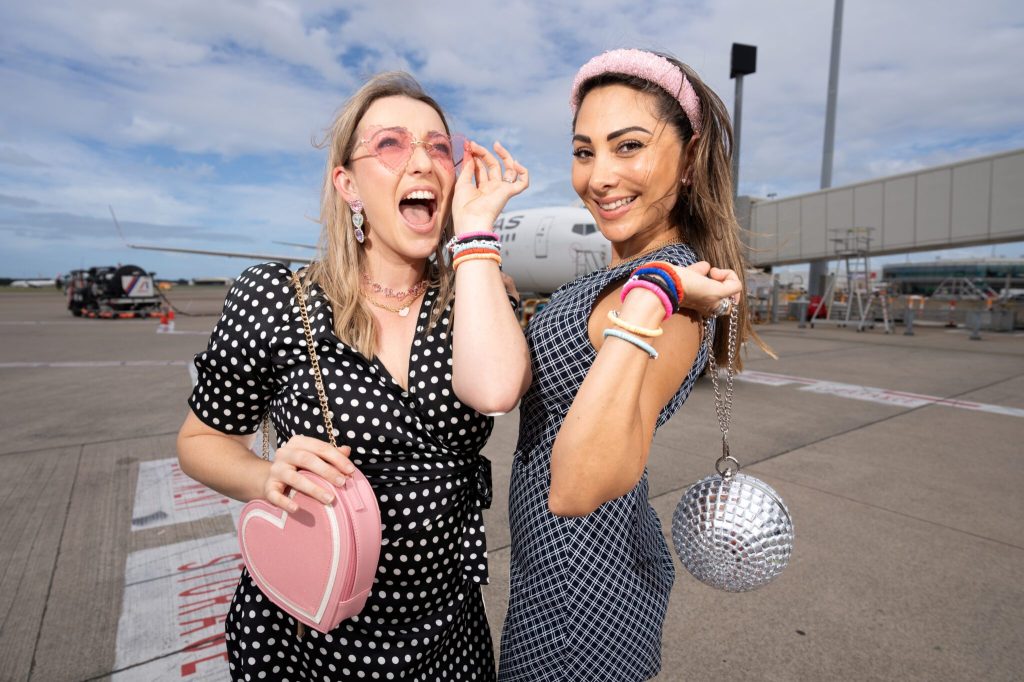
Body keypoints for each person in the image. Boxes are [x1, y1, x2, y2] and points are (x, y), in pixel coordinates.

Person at [177, 71, 534, 681]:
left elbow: (498, 390)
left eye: (438, 146)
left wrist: (475, 232)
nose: (421, 160)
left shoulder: (476, 296)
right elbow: (200, 442)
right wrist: (266, 476)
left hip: (446, 636)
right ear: (348, 184)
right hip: (308, 637)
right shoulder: (276, 298)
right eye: (392, 144)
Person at [498, 49, 762, 681]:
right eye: (585, 151)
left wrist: (655, 295)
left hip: (580, 599)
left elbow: (578, 487)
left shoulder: (669, 287)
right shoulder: (626, 272)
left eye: (629, 146)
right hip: (564, 573)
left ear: (690, 157)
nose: (599, 176)